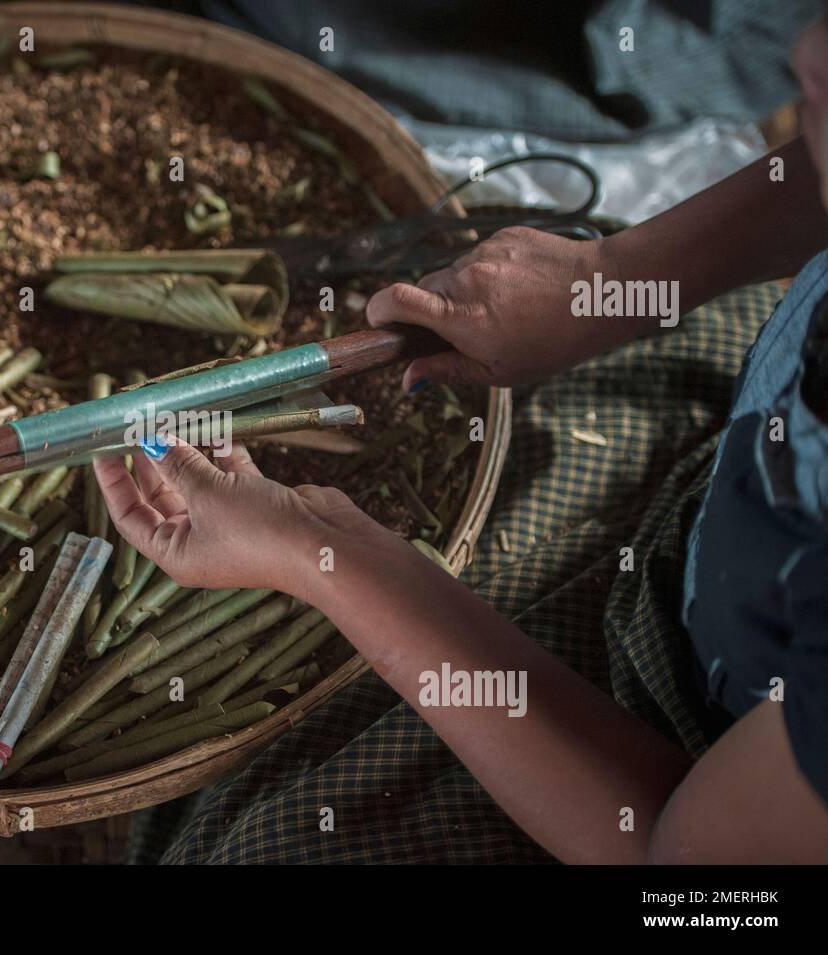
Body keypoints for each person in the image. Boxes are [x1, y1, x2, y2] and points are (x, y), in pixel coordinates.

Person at [93, 18, 828, 863]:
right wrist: (607, 282)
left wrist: (321, 547)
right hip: (729, 485)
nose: (805, 51)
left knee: (271, 838)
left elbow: (679, 863)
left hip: (685, 767)